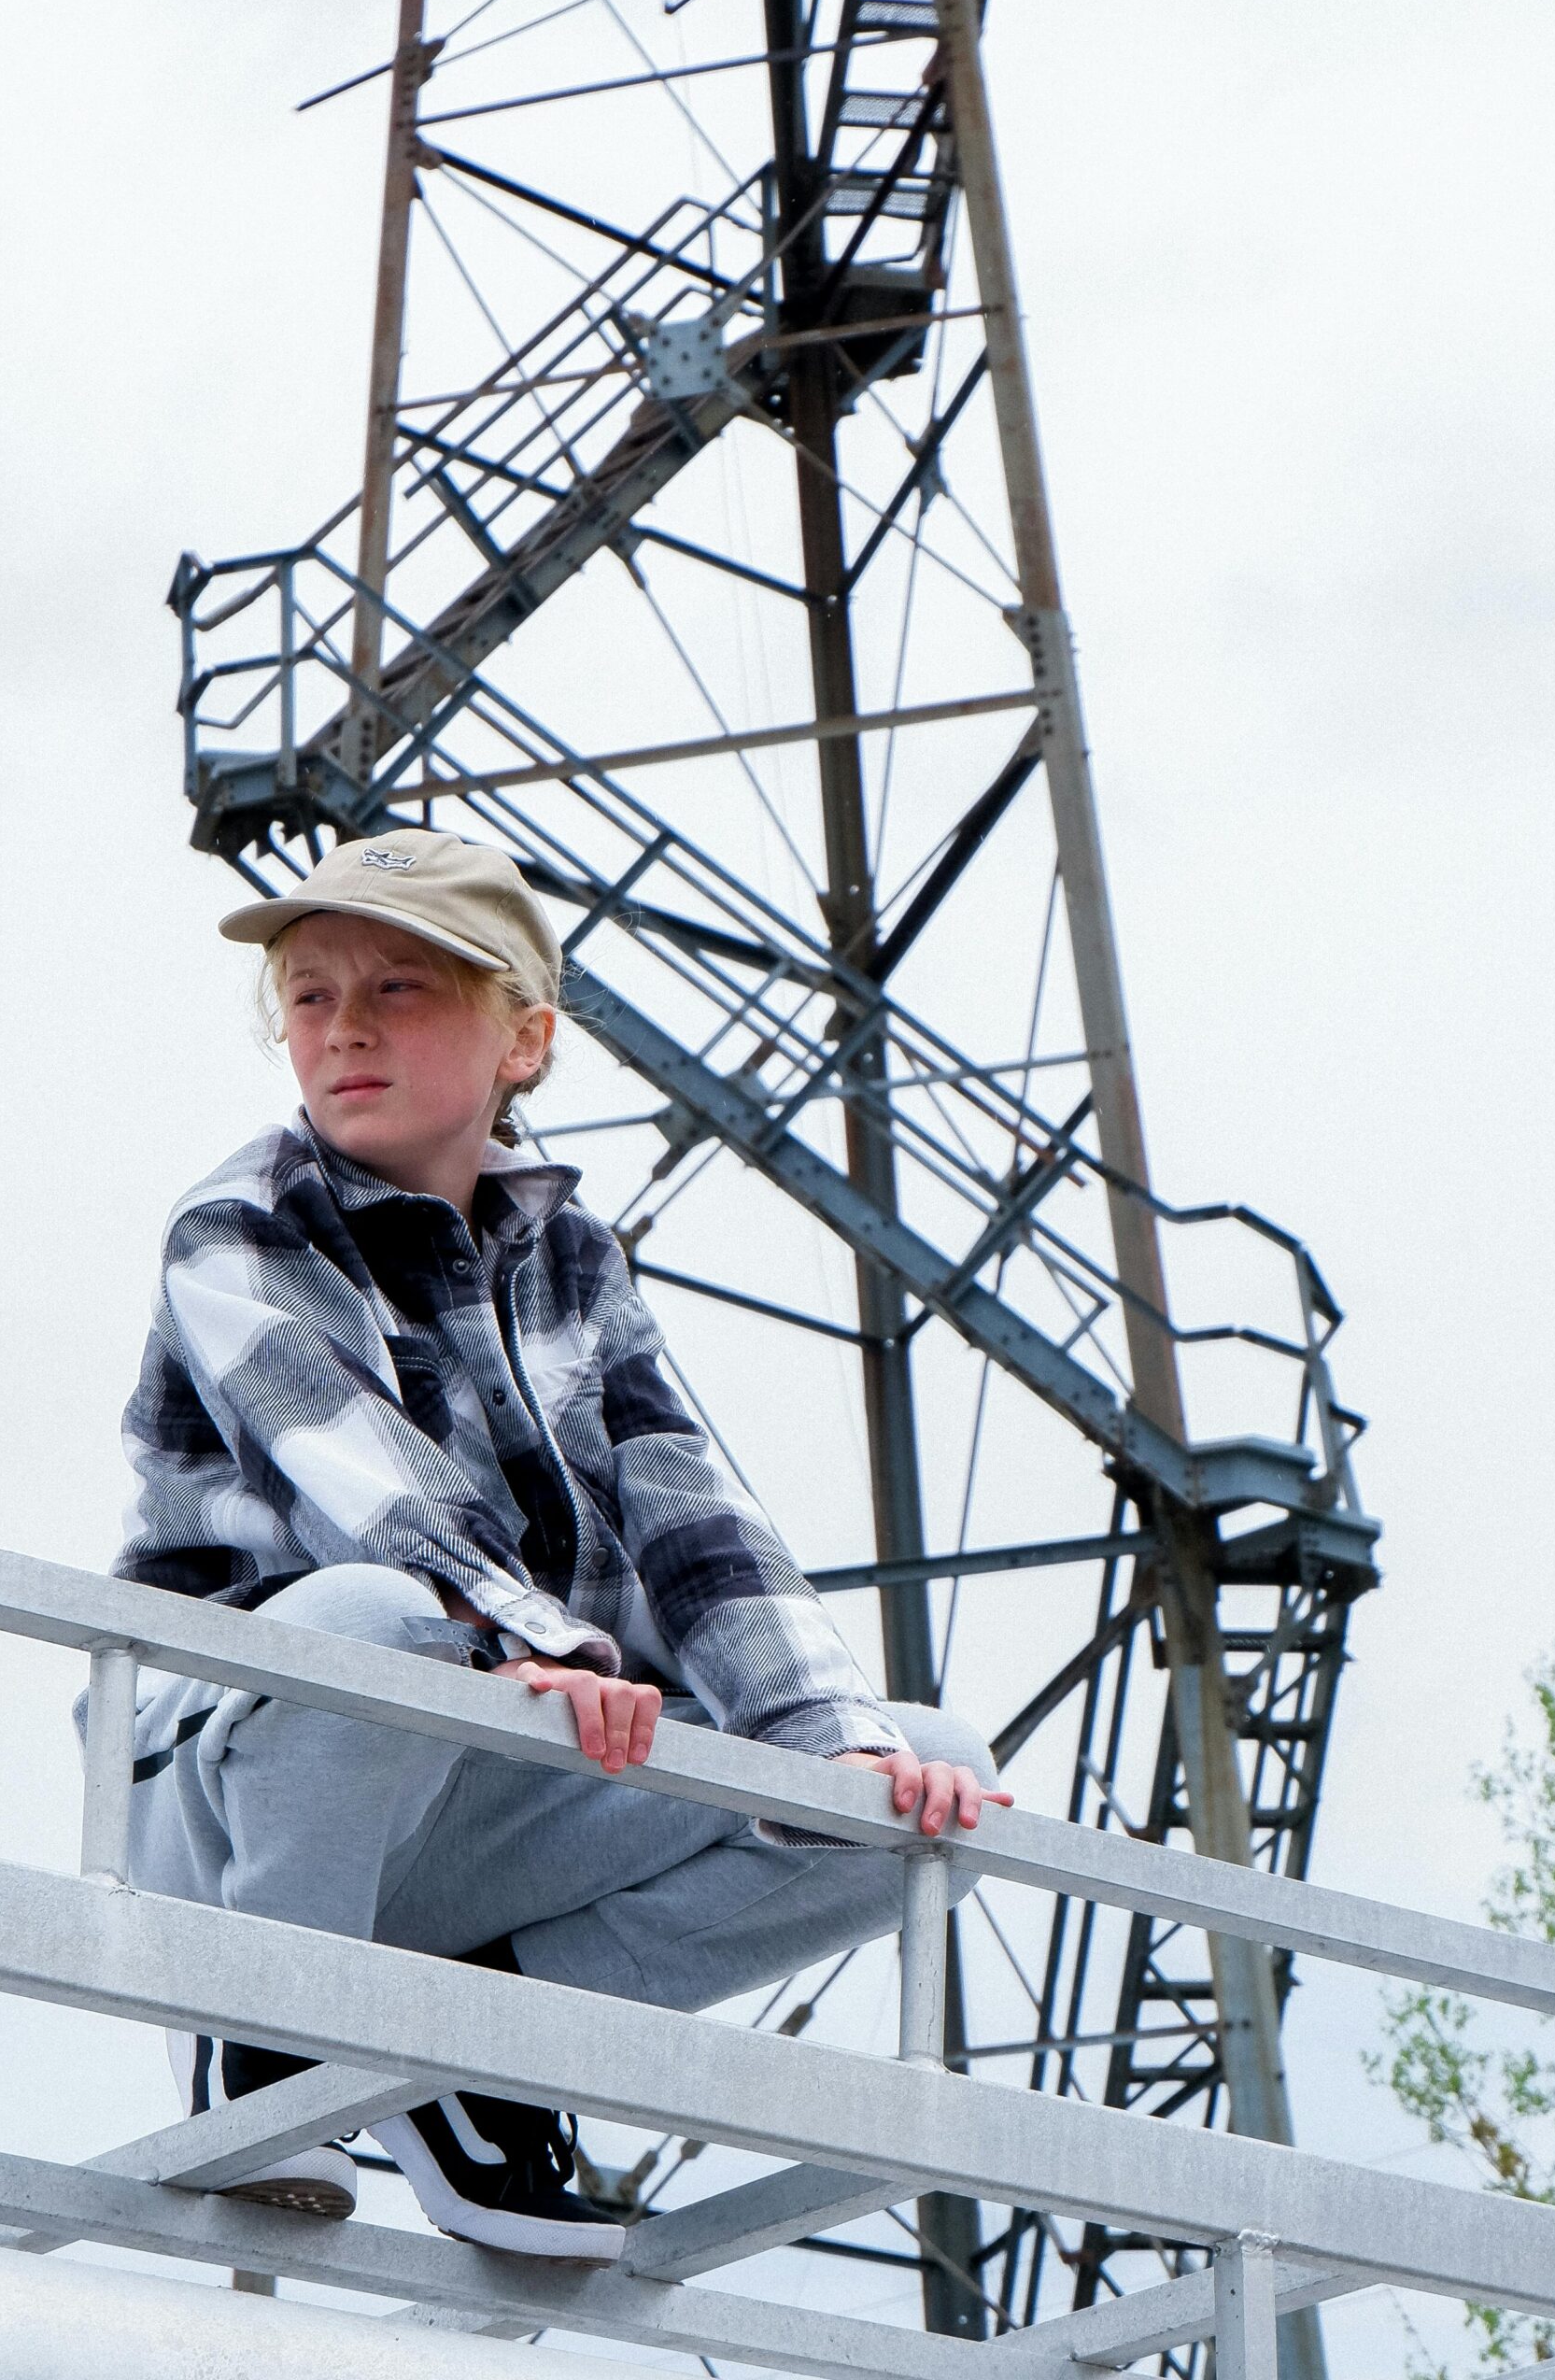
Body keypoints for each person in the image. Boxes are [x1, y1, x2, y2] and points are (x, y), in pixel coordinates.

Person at [107, 829, 1006, 2260]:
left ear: (524, 1036)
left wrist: (825, 1736)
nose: (341, 1029)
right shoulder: (241, 1222)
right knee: (380, 1614)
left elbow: (695, 1519)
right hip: (248, 1784)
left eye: (397, 990)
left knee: (923, 1779)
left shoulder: (575, 1258)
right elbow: (365, 1478)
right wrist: (537, 1639)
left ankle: (482, 2048)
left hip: (473, 1787)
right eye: (311, 996)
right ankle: (269, 2029)